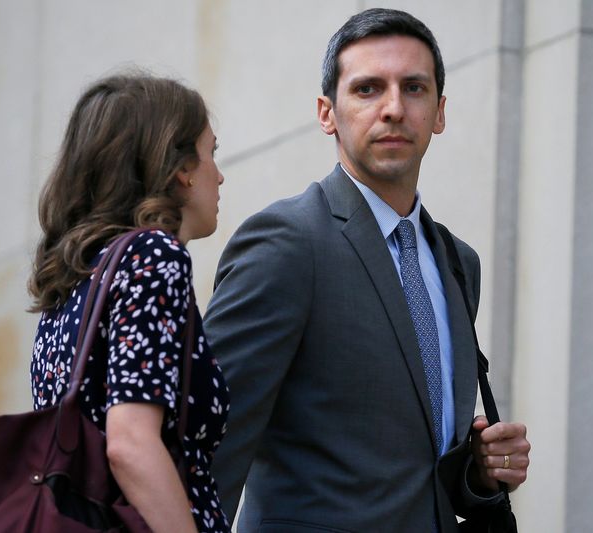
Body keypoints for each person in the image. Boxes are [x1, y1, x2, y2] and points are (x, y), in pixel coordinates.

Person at [204, 8, 531, 532]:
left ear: (440, 113)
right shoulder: (286, 243)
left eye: (415, 88)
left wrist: (478, 474)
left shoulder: (457, 261)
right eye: (368, 89)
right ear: (326, 112)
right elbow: (211, 441)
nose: (394, 109)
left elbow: (418, 469)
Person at [28, 73, 230, 533]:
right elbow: (131, 444)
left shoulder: (75, 277)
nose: (219, 174)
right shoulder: (153, 256)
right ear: (181, 167)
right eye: (210, 153)